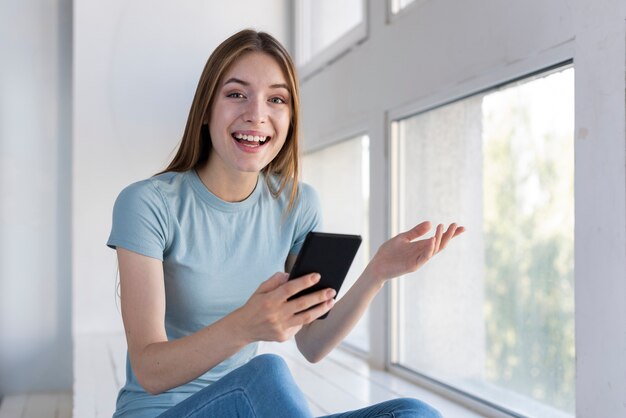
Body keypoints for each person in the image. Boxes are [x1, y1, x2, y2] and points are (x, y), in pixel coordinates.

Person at [107, 29, 464, 418]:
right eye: (236, 94)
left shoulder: (297, 203)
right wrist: (244, 325)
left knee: (413, 412)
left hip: (253, 408)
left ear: (289, 119)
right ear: (206, 109)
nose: (256, 114)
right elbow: (149, 370)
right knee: (266, 373)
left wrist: (376, 273)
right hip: (162, 412)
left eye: (276, 99)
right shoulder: (147, 204)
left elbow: (311, 344)